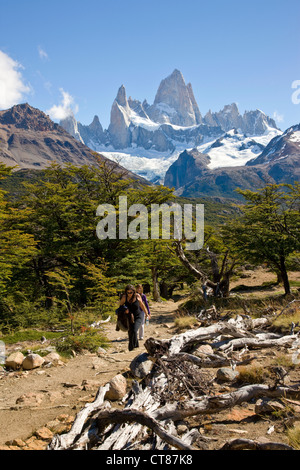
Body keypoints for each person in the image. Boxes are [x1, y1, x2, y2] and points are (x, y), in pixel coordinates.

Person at [119, 284, 148, 351]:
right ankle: (134, 346)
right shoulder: (124, 297)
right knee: (130, 331)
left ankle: (133, 347)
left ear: (133, 291)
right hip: (129, 316)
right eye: (128, 292)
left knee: (134, 330)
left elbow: (142, 305)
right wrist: (124, 310)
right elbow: (120, 306)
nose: (129, 294)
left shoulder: (137, 296)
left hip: (138, 315)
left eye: (131, 292)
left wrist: (147, 314)